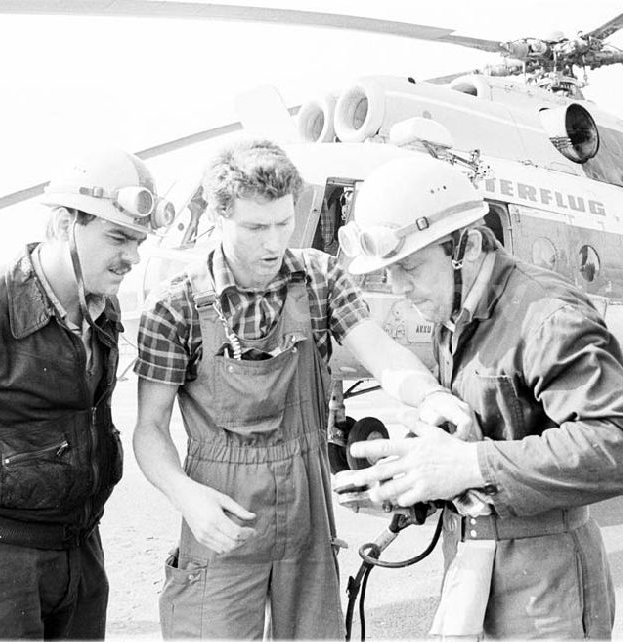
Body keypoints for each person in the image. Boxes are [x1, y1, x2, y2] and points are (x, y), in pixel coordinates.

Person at [131, 138, 474, 639]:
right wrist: (187, 498)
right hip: (221, 515)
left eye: (282, 223)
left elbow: (381, 353)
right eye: (254, 227)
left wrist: (430, 394)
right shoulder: (175, 306)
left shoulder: (318, 277)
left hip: (306, 514)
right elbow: (148, 429)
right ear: (217, 217)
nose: (273, 243)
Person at [342, 155, 623, 639]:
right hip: (473, 570)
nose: (397, 287)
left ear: (465, 246)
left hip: (545, 589)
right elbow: (485, 432)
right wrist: (411, 486)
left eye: (408, 267)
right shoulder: (456, 314)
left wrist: (470, 467)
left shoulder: (546, 315)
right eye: (387, 272)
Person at [0, 148, 171, 639]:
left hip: (78, 553)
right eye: (118, 237)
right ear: (64, 225)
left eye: (138, 240)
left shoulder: (103, 310)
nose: (133, 257)